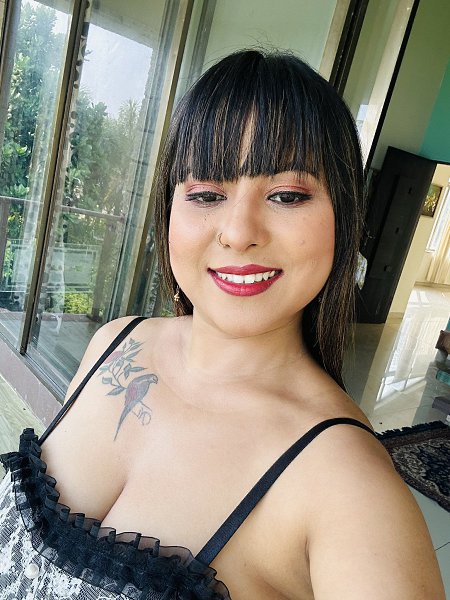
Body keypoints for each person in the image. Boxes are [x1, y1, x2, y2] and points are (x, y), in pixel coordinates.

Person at [0, 50, 445, 599]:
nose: (237, 232)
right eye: (207, 194)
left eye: (286, 196)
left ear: (344, 216)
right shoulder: (115, 343)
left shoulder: (349, 485)